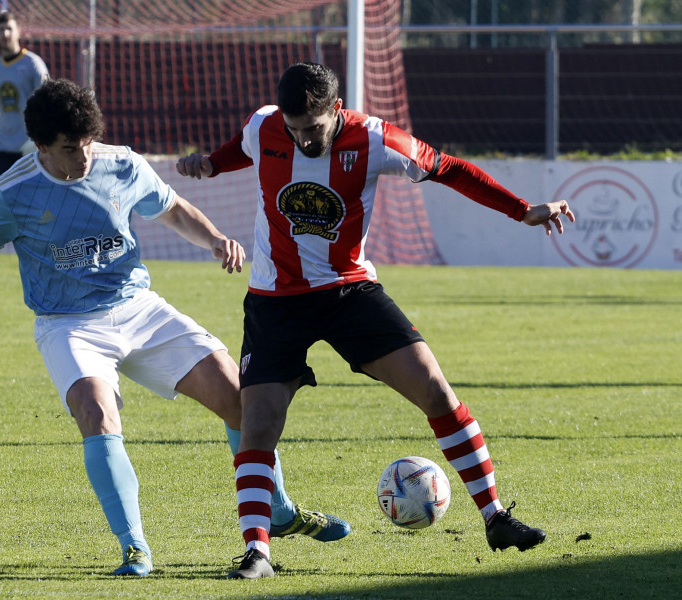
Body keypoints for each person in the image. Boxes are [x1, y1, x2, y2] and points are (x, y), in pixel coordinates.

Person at [0, 78, 350, 578]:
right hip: (68, 325)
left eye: (88, 141)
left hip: (138, 308)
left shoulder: (121, 163)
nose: (84, 156)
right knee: (95, 410)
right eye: (70, 148)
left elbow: (171, 207)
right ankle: (135, 549)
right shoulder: (12, 192)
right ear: (42, 146)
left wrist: (216, 239)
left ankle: (278, 512)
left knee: (239, 396)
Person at [176, 62, 575, 579]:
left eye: (312, 130)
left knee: (435, 389)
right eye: (293, 130)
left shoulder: (376, 139)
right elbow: (241, 148)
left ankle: (495, 516)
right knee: (258, 425)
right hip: (275, 300)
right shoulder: (264, 124)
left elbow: (450, 168)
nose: (301, 141)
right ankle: (258, 553)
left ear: (336, 111)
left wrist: (523, 211)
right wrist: (210, 164)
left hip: (349, 292)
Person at [0, 10, 49, 277]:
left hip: (31, 151)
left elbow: (48, 105)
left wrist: (38, 140)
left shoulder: (34, 65)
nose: (4, 34)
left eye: (9, 29)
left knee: (40, 207)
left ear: (18, 30)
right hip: (2, 150)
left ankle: (48, 259)